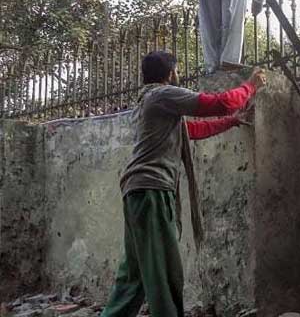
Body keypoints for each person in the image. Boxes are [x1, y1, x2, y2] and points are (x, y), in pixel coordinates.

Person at [100, 51, 267, 317]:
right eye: (176, 70)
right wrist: (251, 85)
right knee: (165, 271)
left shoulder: (147, 101)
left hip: (138, 191)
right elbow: (222, 103)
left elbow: (190, 132)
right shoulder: (163, 95)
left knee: (135, 274)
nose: (178, 75)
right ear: (170, 73)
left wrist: (231, 122)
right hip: (152, 190)